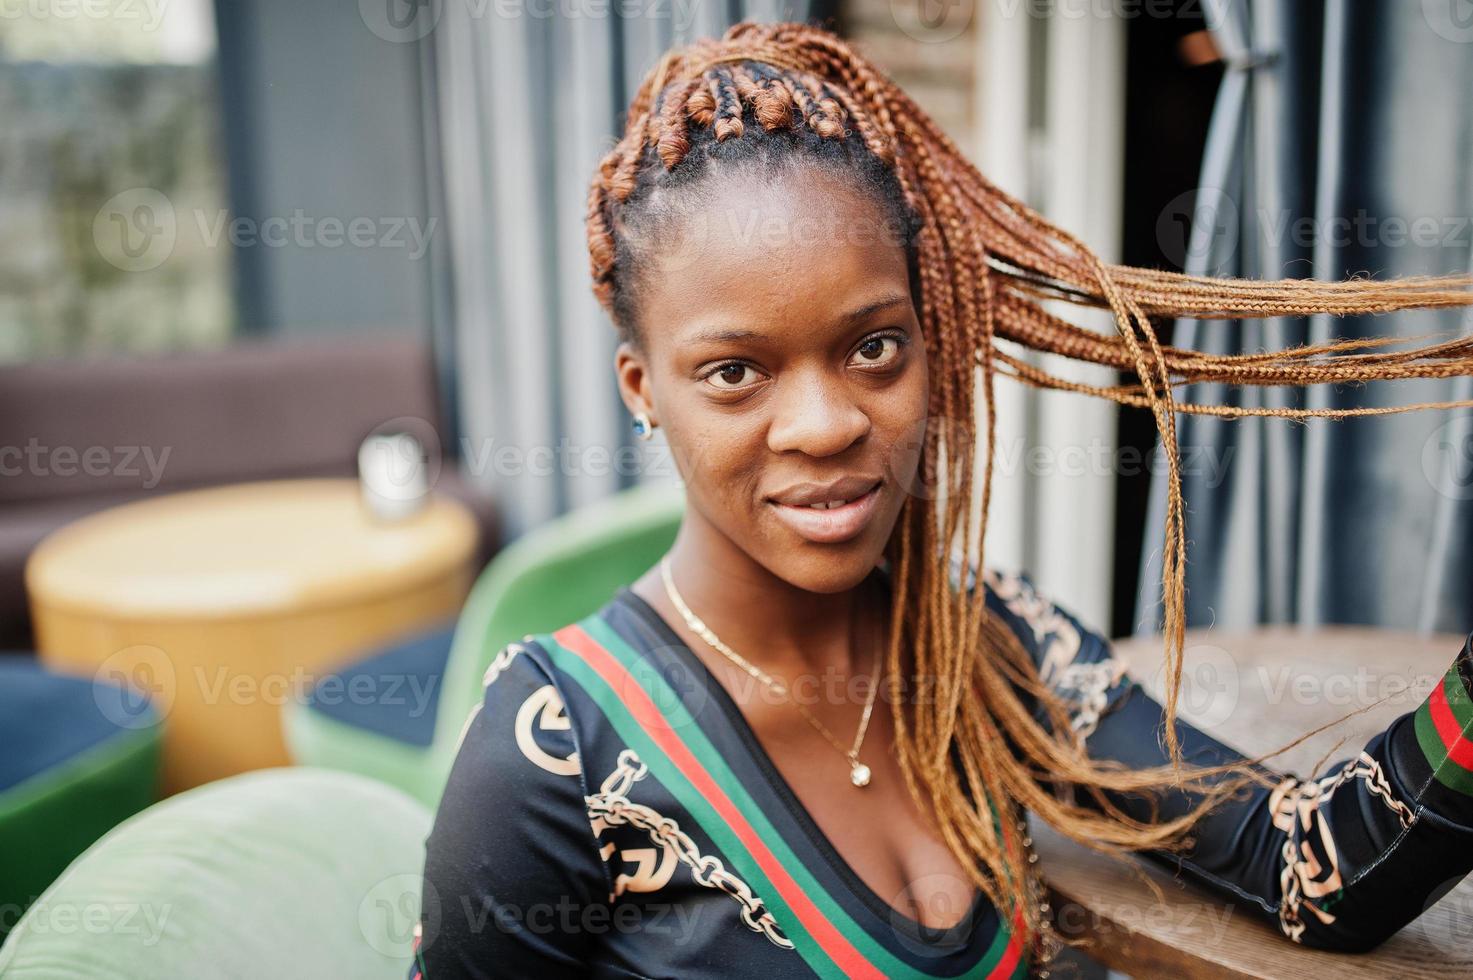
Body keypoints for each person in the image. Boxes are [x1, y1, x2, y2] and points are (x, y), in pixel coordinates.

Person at [413, 22, 1473, 978]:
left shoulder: (984, 651)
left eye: (875, 347)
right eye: (736, 371)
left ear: (938, 344)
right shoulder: (553, 752)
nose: (826, 423)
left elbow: (1314, 866)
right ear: (644, 390)